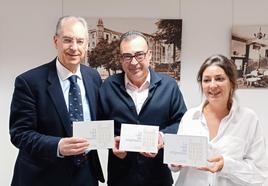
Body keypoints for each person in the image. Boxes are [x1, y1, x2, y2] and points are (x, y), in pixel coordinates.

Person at [9, 16, 104, 186]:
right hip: (42, 177)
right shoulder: (29, 82)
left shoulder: (93, 77)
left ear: (87, 44)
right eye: (67, 40)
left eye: (80, 41)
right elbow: (20, 134)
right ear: (56, 41)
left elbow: (100, 119)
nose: (74, 48)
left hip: (85, 176)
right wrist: (58, 146)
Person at [98, 31, 187, 186]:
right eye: (127, 56)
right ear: (121, 59)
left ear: (149, 55)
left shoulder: (169, 86)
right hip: (120, 178)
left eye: (139, 55)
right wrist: (111, 141)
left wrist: (162, 137)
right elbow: (99, 125)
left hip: (159, 176)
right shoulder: (108, 87)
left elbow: (182, 122)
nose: (134, 62)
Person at [171, 54, 268, 186]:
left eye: (219, 79)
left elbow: (260, 176)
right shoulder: (190, 117)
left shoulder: (248, 120)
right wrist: (175, 162)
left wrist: (226, 166)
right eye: (206, 80)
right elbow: (175, 165)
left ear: (232, 82)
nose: (212, 85)